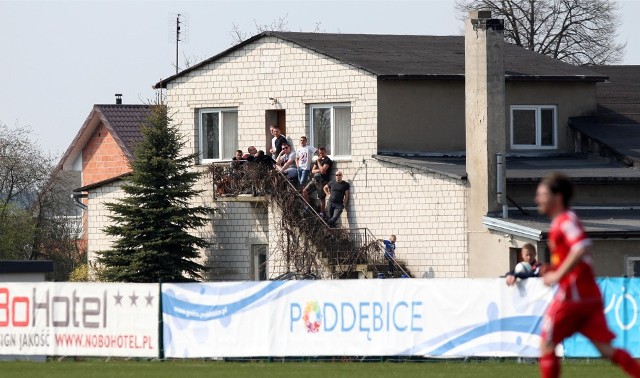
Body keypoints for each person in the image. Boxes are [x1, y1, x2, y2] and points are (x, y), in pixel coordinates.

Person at [535, 173, 640, 378]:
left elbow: (580, 248)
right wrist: (555, 270)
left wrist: (557, 277)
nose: (537, 199)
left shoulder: (565, 221)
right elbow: (575, 256)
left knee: (546, 344)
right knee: (606, 350)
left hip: (573, 297)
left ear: (557, 197)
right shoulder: (564, 221)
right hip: (588, 296)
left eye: (542, 194)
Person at [303, 147, 332, 215]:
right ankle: (307, 207)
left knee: (321, 197)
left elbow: (323, 170)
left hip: (322, 181)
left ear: (326, 152)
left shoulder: (327, 160)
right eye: (320, 153)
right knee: (305, 191)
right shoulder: (318, 160)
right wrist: (319, 170)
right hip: (314, 180)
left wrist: (319, 163)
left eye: (322, 153)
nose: (321, 154)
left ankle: (322, 212)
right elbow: (313, 170)